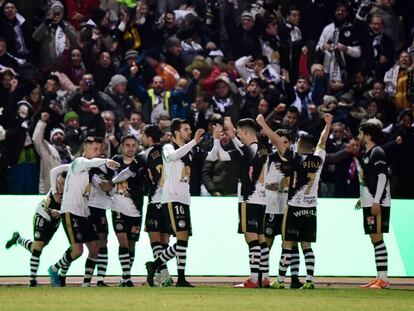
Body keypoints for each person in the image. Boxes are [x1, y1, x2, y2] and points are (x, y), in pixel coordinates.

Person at [256, 113, 332, 289]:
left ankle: (280, 280)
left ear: (299, 145)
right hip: (311, 207)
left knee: (287, 244)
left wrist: (263, 123)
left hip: (294, 207)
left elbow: (276, 140)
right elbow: (323, 141)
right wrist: (327, 124)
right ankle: (310, 280)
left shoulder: (295, 158)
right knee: (307, 245)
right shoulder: (319, 158)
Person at [145, 119, 219, 287]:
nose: (189, 132)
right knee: (181, 237)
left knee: (183, 239)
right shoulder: (167, 147)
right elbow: (173, 156)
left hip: (184, 199)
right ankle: (178, 276)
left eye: (189, 129)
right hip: (171, 198)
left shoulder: (192, 149)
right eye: (186, 129)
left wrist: (215, 139)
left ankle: (158, 266)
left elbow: (213, 155)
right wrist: (194, 142)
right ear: (177, 132)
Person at [48, 136, 119, 287]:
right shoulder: (80, 162)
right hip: (71, 212)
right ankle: (54, 268)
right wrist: (106, 161)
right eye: (95, 149)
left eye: (99, 149)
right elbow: (89, 162)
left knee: (94, 248)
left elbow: (54, 171)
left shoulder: (83, 167)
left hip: (83, 213)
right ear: (85, 149)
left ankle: (86, 284)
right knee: (77, 251)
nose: (98, 152)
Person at [114, 125, 174, 287]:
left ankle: (164, 275)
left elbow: (127, 173)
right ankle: (161, 276)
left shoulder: (143, 155)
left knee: (155, 241)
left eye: (143, 136)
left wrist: (113, 181)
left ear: (148, 137)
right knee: (164, 241)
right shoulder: (170, 150)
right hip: (170, 201)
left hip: (155, 202)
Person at [219, 117, 269, 288]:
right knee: (261, 238)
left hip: (249, 198)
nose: (238, 136)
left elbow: (224, 155)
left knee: (251, 238)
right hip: (262, 199)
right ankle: (264, 277)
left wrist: (226, 136)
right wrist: (232, 132)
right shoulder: (263, 149)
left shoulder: (249, 150)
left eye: (240, 133)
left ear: (246, 132)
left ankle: (253, 279)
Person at [5, 164, 69, 287]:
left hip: (54, 221)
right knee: (38, 246)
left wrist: (60, 212)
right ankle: (32, 280)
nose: (60, 186)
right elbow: (54, 172)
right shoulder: (55, 191)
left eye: (63, 184)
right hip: (42, 214)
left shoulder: (70, 194)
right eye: (59, 183)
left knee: (37, 247)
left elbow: (71, 208)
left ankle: (18, 239)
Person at [263, 129, 302, 288]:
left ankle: (294, 278)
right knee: (267, 242)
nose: (282, 145)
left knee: (292, 243)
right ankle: (264, 276)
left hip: (289, 207)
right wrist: (274, 186)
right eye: (279, 141)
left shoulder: (295, 160)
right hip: (272, 207)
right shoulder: (270, 159)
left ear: (291, 143)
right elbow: (263, 182)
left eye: (285, 142)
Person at [357, 122, 391, 289]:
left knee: (377, 239)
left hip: (378, 202)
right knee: (375, 239)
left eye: (360, 133)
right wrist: (362, 198)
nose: (358, 136)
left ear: (368, 136)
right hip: (369, 201)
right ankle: (379, 278)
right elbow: (367, 179)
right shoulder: (367, 154)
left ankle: (383, 279)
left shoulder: (377, 152)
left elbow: (382, 177)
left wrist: (377, 200)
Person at [111, 135, 146, 287]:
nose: (131, 148)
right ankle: (127, 276)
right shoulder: (115, 161)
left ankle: (125, 277)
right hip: (117, 207)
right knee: (123, 241)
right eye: (127, 145)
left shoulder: (141, 162)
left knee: (131, 245)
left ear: (137, 146)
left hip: (135, 209)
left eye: (133, 145)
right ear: (121, 147)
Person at [87, 142, 114, 287]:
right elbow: (104, 186)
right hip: (88, 208)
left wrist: (109, 186)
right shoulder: (90, 167)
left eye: (104, 148)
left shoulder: (111, 168)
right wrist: (109, 185)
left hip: (102, 209)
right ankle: (85, 280)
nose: (102, 151)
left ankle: (100, 280)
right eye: (98, 149)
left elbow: (111, 188)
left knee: (103, 242)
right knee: (88, 244)